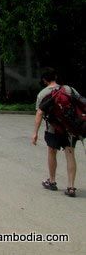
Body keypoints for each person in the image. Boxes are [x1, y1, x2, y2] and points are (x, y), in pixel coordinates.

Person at [31, 68, 81, 197]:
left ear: (44, 80)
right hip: (70, 128)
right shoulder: (69, 89)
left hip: (53, 128)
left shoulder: (43, 93)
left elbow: (39, 113)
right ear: (56, 77)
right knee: (70, 153)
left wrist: (35, 133)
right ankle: (71, 187)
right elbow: (80, 105)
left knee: (51, 152)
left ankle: (52, 181)